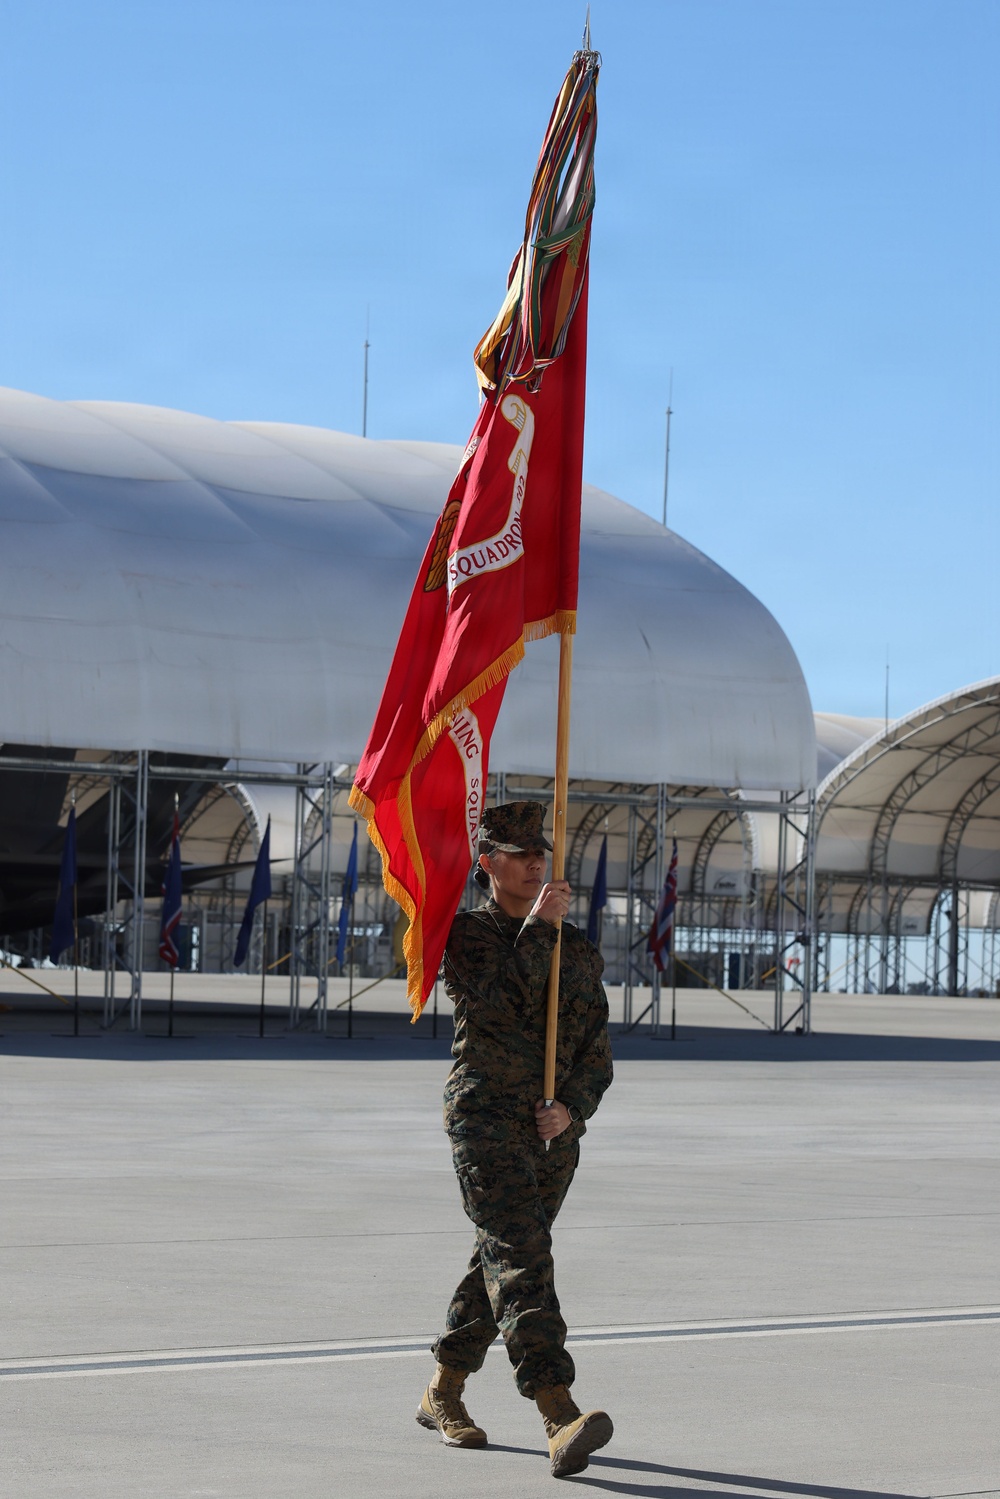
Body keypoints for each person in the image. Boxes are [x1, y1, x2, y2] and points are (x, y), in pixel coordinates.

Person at [416, 800, 614, 1479]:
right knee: (522, 1257)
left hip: (548, 1131)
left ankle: (442, 1388)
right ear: (487, 863)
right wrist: (537, 930)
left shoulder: (577, 947)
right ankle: (558, 1410)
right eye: (520, 852)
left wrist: (574, 1111)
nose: (536, 862)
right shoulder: (466, 933)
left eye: (542, 852)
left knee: (499, 1260)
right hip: (485, 1120)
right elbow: (495, 1000)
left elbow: (596, 1049)